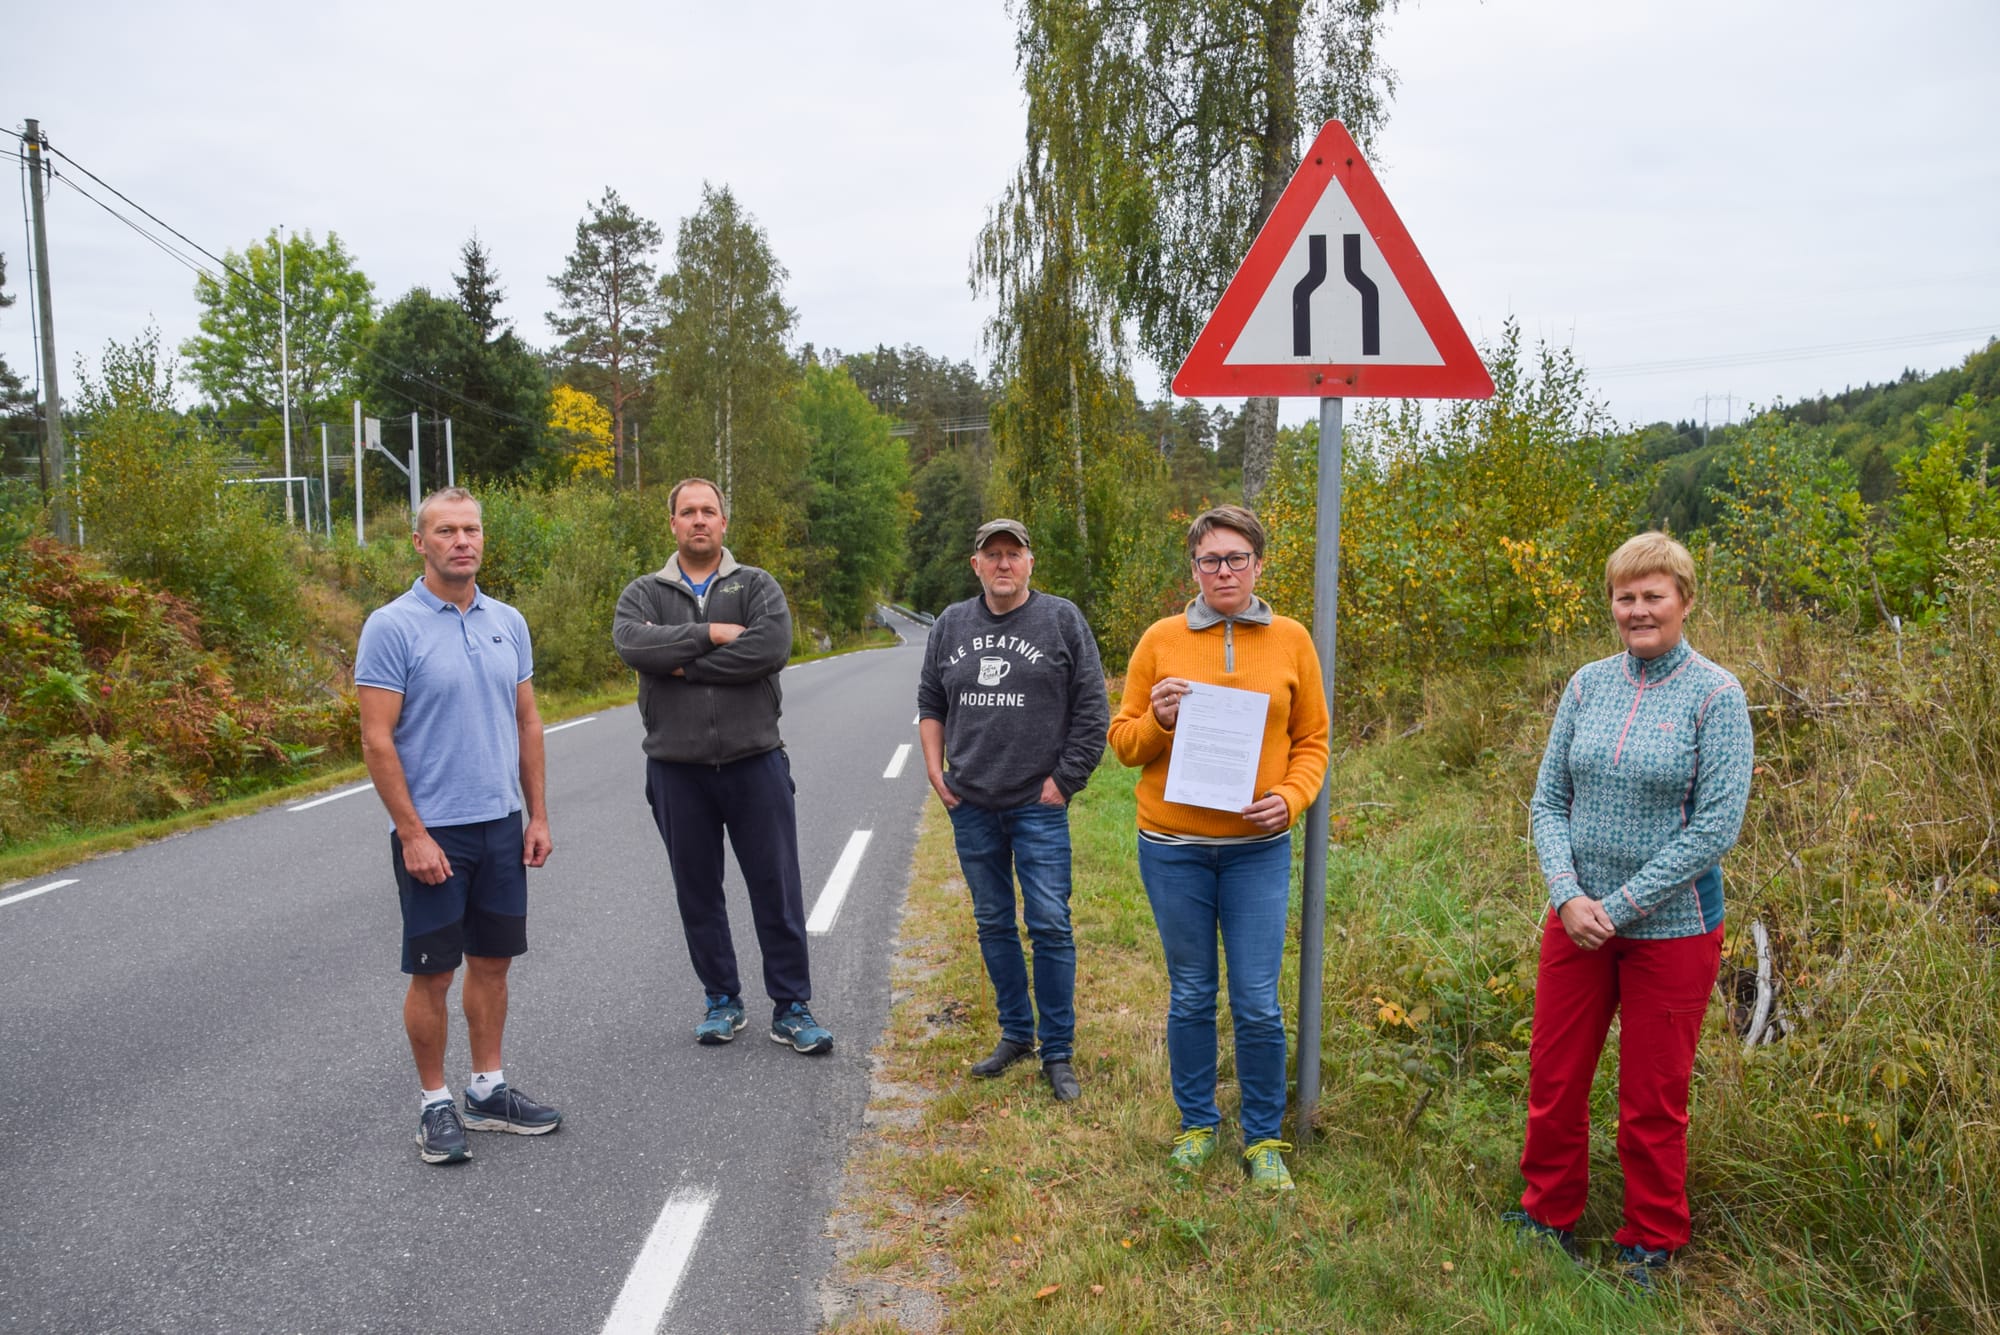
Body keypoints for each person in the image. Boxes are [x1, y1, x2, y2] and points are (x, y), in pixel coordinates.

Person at [1508, 530, 1753, 1288]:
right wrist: (1567, 894)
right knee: (1555, 1074)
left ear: (1684, 602)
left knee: (1652, 1094)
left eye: (1654, 595)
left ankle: (1650, 1237)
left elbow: (1716, 826)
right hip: (1575, 920)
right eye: (1626, 596)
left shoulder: (1717, 694)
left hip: (1673, 929)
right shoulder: (1586, 684)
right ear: (1611, 604)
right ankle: (1547, 1213)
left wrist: (1615, 905)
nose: (1638, 609)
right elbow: (1549, 801)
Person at [1107, 505, 1329, 1190]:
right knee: (1193, 992)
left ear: (1259, 564)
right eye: (1210, 560)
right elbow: (1123, 743)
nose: (1223, 570)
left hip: (1256, 852)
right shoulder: (1160, 639)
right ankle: (1197, 1124)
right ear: (1194, 568)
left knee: (1258, 999)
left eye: (1236, 558)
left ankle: (1264, 1139)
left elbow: (1313, 742)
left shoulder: (1292, 639)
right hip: (1172, 848)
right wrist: (1160, 720)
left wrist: (1289, 799)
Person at [356, 487, 559, 1166]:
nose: (461, 541)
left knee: (493, 964)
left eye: (470, 530)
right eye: (446, 531)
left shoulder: (509, 621)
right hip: (435, 831)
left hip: (501, 823)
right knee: (434, 971)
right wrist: (412, 832)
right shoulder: (392, 626)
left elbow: (527, 719)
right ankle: (434, 1102)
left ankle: (488, 1088)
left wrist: (537, 813)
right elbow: (377, 739)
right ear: (421, 542)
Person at [612, 477, 833, 1056]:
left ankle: (791, 1006)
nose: (699, 520)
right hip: (675, 769)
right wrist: (708, 633)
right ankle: (721, 1000)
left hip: (754, 759)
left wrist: (682, 665)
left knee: (776, 886)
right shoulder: (643, 593)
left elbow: (769, 650)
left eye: (709, 510)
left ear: (724, 522)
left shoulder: (757, 585)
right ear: (673, 525)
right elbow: (635, 646)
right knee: (698, 891)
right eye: (688, 512)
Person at [917, 518, 1108, 1102]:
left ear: (1030, 563)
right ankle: (1015, 1033)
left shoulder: (1061, 619)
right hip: (971, 801)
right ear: (976, 565)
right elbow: (930, 699)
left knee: (1049, 923)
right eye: (992, 555)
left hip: (1037, 803)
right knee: (994, 921)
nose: (1003, 564)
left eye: (1013, 554)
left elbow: (1092, 709)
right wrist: (935, 770)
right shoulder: (951, 623)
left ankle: (1058, 1051)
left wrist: (1062, 782)